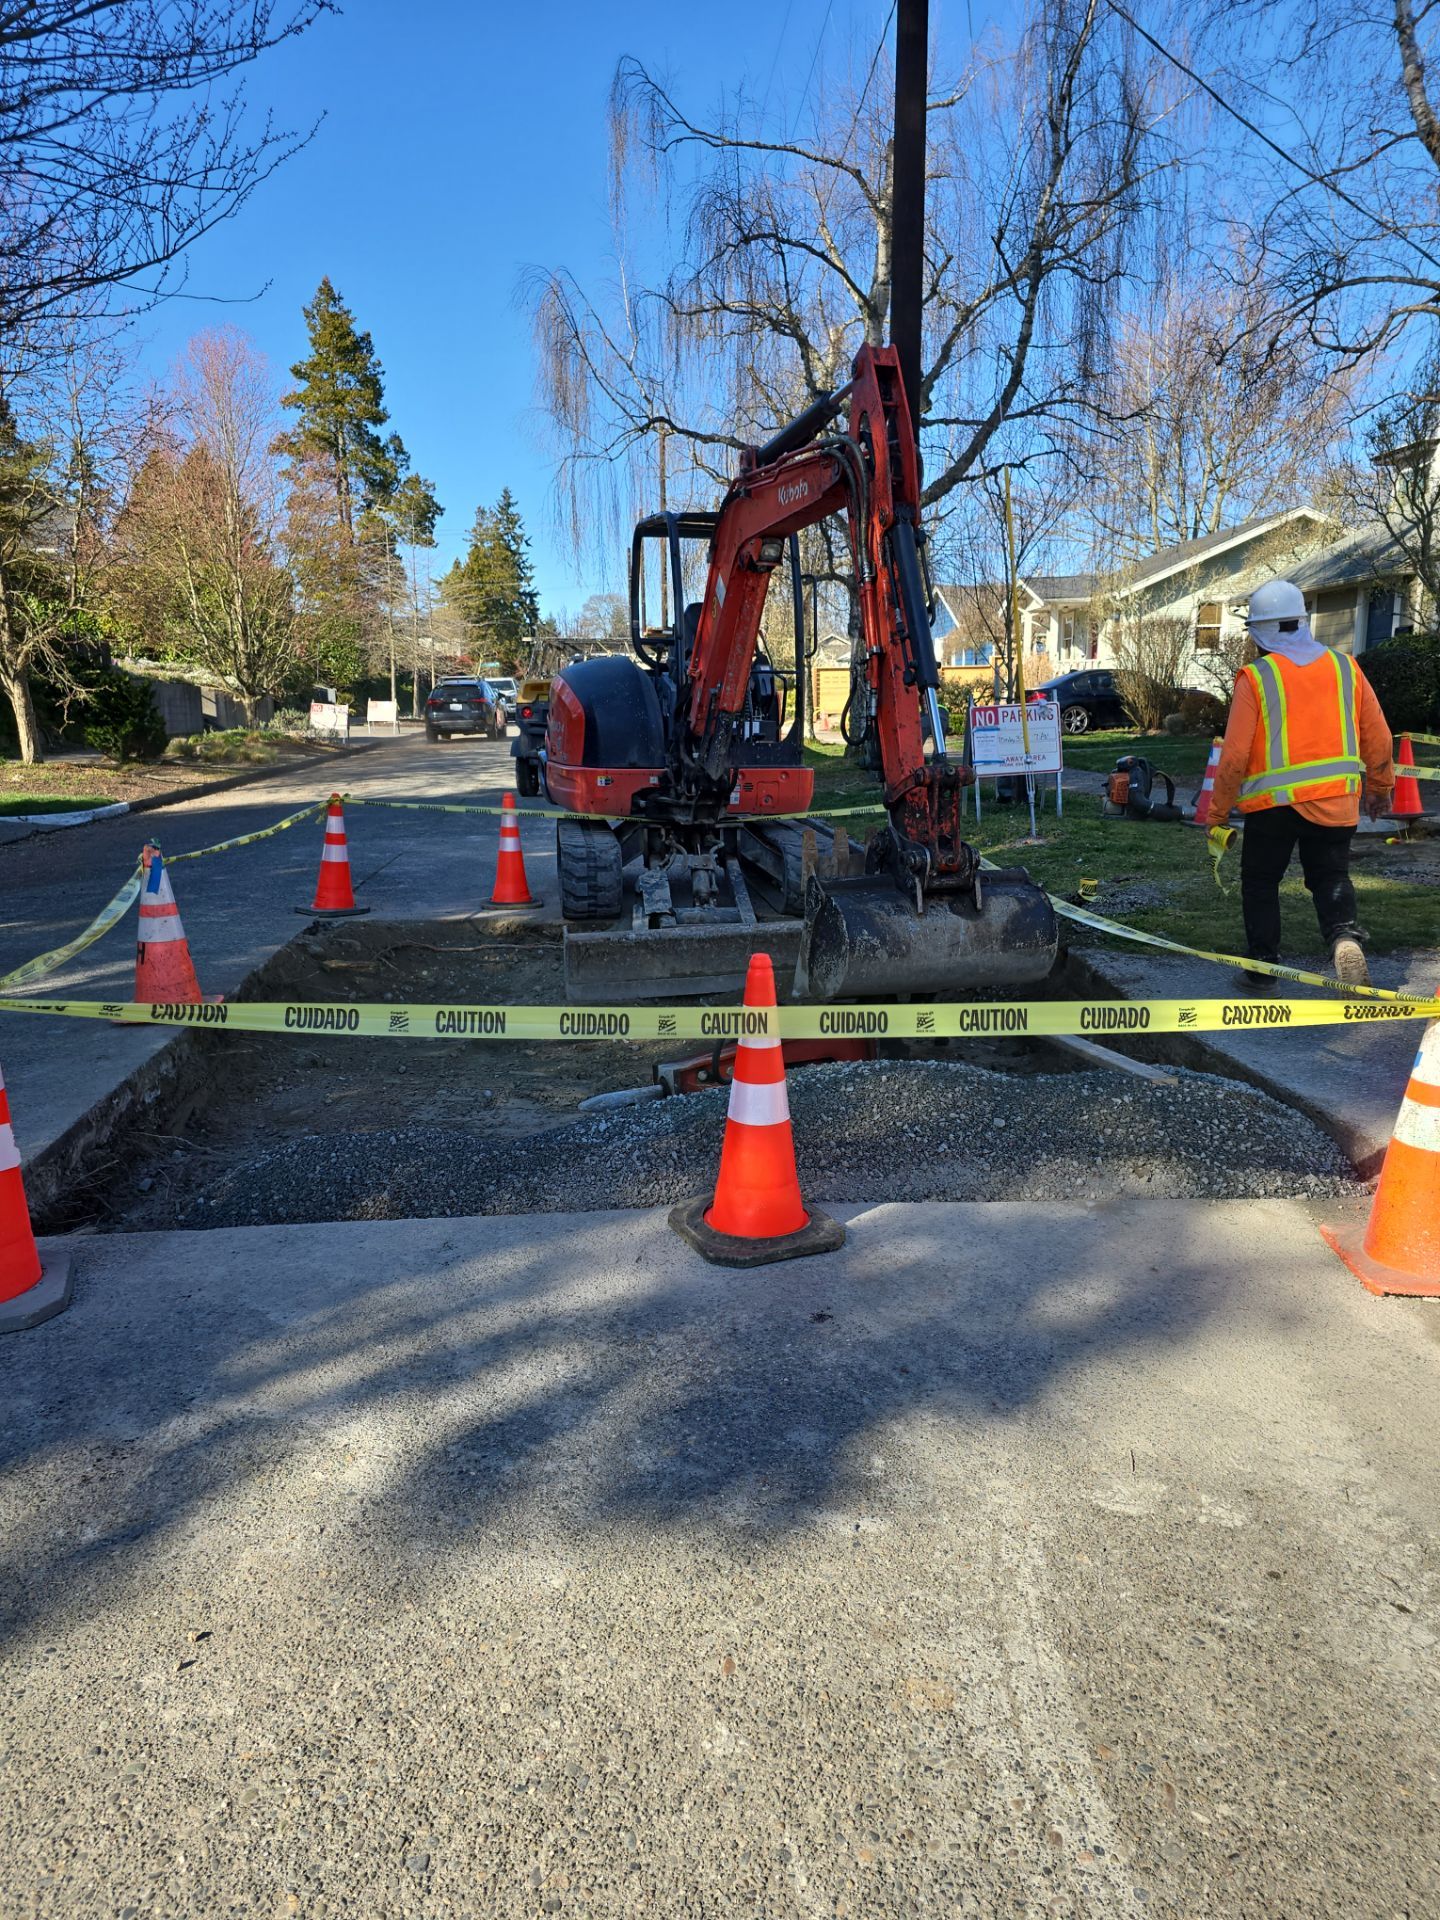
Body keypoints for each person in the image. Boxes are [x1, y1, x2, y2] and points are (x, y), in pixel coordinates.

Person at [1206, 578, 1394, 987]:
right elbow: (1377, 733)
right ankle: (1344, 938)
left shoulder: (1256, 677)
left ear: (1260, 633)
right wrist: (1379, 787)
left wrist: (1217, 811)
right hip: (1337, 803)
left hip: (1274, 807)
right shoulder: (1346, 667)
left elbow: (1235, 754)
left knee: (1260, 882)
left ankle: (1262, 967)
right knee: (1331, 878)